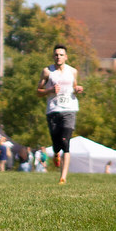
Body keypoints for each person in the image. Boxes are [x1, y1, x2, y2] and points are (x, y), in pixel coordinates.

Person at [36, 44, 84, 185]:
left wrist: (77, 89)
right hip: (53, 110)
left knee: (65, 142)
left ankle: (63, 177)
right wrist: (49, 90)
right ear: (53, 56)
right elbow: (38, 91)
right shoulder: (47, 71)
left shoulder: (72, 71)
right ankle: (56, 153)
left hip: (69, 109)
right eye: (56, 55)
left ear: (66, 57)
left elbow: (74, 87)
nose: (59, 57)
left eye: (61, 54)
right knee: (57, 144)